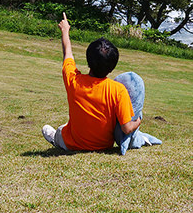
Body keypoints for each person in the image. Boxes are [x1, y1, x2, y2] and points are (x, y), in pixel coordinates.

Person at [41, 13, 160, 154]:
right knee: (66, 127)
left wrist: (65, 30)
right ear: (112, 67)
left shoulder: (74, 81)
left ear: (88, 59)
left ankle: (56, 139)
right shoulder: (118, 90)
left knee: (61, 130)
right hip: (103, 145)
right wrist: (138, 120)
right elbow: (127, 128)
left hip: (72, 143)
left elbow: (68, 53)